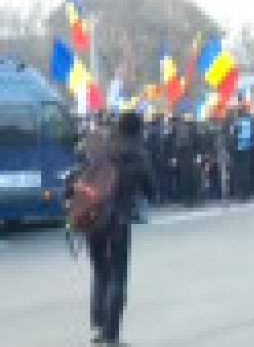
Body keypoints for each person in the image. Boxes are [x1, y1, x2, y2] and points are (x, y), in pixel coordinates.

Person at [88, 111, 156, 345]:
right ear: (137, 129)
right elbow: (150, 188)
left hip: (91, 218)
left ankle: (98, 323)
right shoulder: (136, 153)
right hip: (117, 220)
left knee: (99, 271)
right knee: (117, 275)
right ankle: (111, 335)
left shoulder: (102, 148)